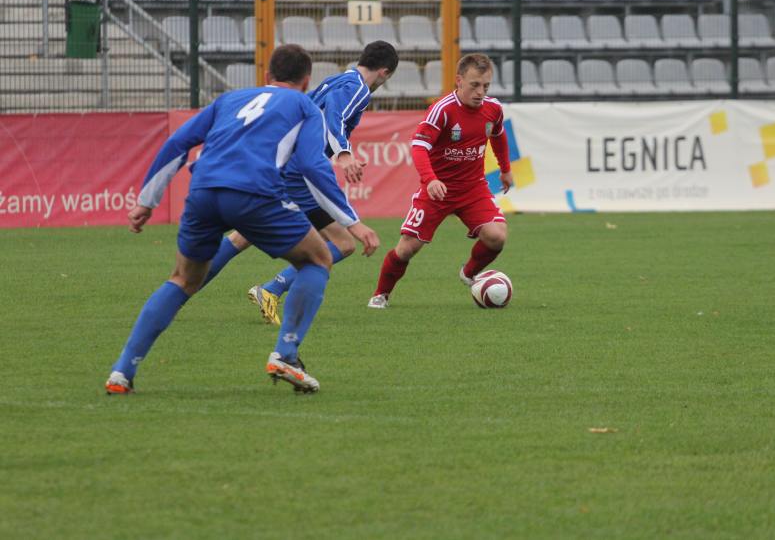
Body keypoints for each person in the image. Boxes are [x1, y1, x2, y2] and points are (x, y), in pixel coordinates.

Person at [105, 45, 363, 395]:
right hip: (256, 194)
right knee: (317, 258)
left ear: (267, 76)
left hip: (203, 193)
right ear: (306, 81)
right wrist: (352, 221)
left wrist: (146, 201)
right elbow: (311, 166)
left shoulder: (229, 100)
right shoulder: (305, 106)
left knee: (182, 280)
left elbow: (178, 142)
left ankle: (122, 371)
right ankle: (286, 353)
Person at [199, 41, 397, 324]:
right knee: (343, 243)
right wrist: (343, 154)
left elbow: (311, 115)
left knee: (243, 235)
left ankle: (183, 287)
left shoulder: (337, 79)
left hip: (282, 165)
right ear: (385, 72)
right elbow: (334, 119)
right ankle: (272, 289)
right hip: (299, 173)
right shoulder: (359, 89)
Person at [368, 53, 513, 309]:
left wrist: (505, 169)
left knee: (497, 236)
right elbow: (419, 146)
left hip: (473, 188)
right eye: (475, 85)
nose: (481, 92)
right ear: (459, 80)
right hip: (437, 190)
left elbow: (499, 136)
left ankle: (469, 273)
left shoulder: (493, 109)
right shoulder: (443, 110)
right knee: (407, 248)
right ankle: (381, 294)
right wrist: (431, 179)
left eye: (486, 86)